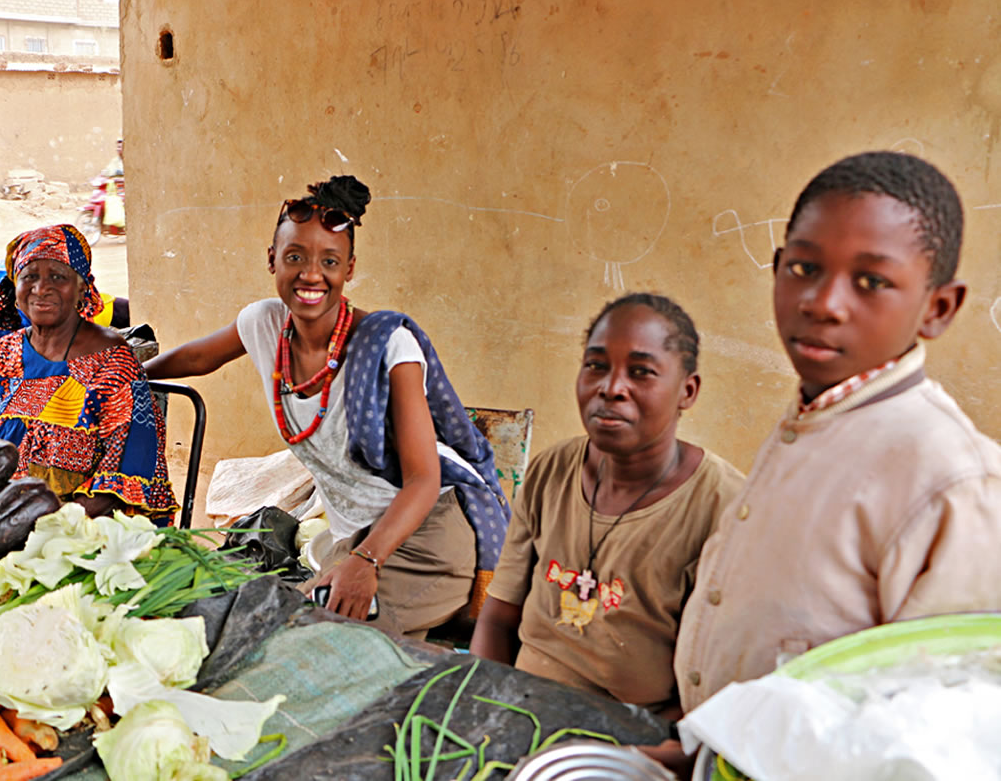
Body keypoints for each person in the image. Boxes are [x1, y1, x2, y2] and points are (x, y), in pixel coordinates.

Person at [675, 151, 1001, 714]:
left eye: (871, 281)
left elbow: (939, 728)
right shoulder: (813, 418)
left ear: (938, 308)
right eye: (804, 268)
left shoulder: (952, 480)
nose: (823, 303)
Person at [144, 175, 509, 638]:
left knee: (311, 640)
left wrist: (366, 560)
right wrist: (125, 375)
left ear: (349, 268)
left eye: (329, 261)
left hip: (429, 533)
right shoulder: (264, 324)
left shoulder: (387, 346)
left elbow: (423, 479)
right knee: (264, 630)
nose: (311, 275)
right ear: (272, 259)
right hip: (356, 539)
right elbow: (198, 358)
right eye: (295, 257)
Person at [471, 293, 744, 715]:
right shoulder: (551, 470)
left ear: (687, 391)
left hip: (633, 732)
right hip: (521, 704)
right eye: (596, 366)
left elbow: (712, 690)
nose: (612, 389)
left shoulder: (723, 508)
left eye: (642, 372)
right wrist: (487, 710)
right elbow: (498, 618)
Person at [0, 224, 177, 520]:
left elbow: (127, 472)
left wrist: (45, 525)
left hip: (77, 528)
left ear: (82, 286)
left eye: (58, 276)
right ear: (14, 286)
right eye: (29, 276)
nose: (41, 289)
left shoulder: (113, 364)